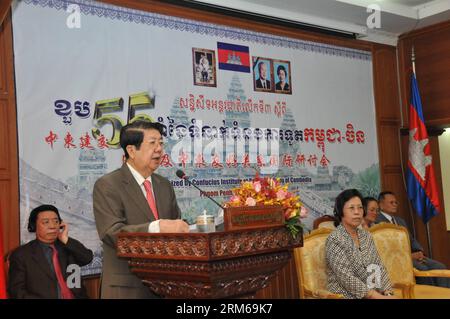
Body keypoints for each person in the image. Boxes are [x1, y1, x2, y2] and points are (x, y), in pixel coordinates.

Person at [93, 120, 189, 299]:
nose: (159, 149)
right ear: (131, 150)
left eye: (161, 143)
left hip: (166, 286)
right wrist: (156, 227)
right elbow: (111, 232)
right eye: (152, 143)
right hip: (127, 287)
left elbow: (176, 225)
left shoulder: (164, 185)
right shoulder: (108, 185)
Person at [8, 204, 93, 299]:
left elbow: (87, 258)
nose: (52, 226)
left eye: (56, 221)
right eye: (46, 222)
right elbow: (17, 291)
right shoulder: (21, 255)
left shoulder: (68, 246)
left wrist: (65, 239)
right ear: (34, 226)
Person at [325, 189, 396, 299]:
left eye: (360, 207)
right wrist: (376, 296)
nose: (357, 212)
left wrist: (388, 292)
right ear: (340, 211)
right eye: (351, 208)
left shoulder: (366, 236)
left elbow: (377, 266)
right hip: (344, 295)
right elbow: (346, 278)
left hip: (373, 293)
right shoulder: (335, 239)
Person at [376, 191, 450, 288]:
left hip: (414, 256)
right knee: (423, 269)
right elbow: (387, 248)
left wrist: (420, 251)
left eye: (396, 202)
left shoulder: (400, 221)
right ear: (381, 205)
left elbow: (411, 239)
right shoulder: (377, 222)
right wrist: (409, 256)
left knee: (441, 267)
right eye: (391, 202)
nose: (395, 205)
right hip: (399, 260)